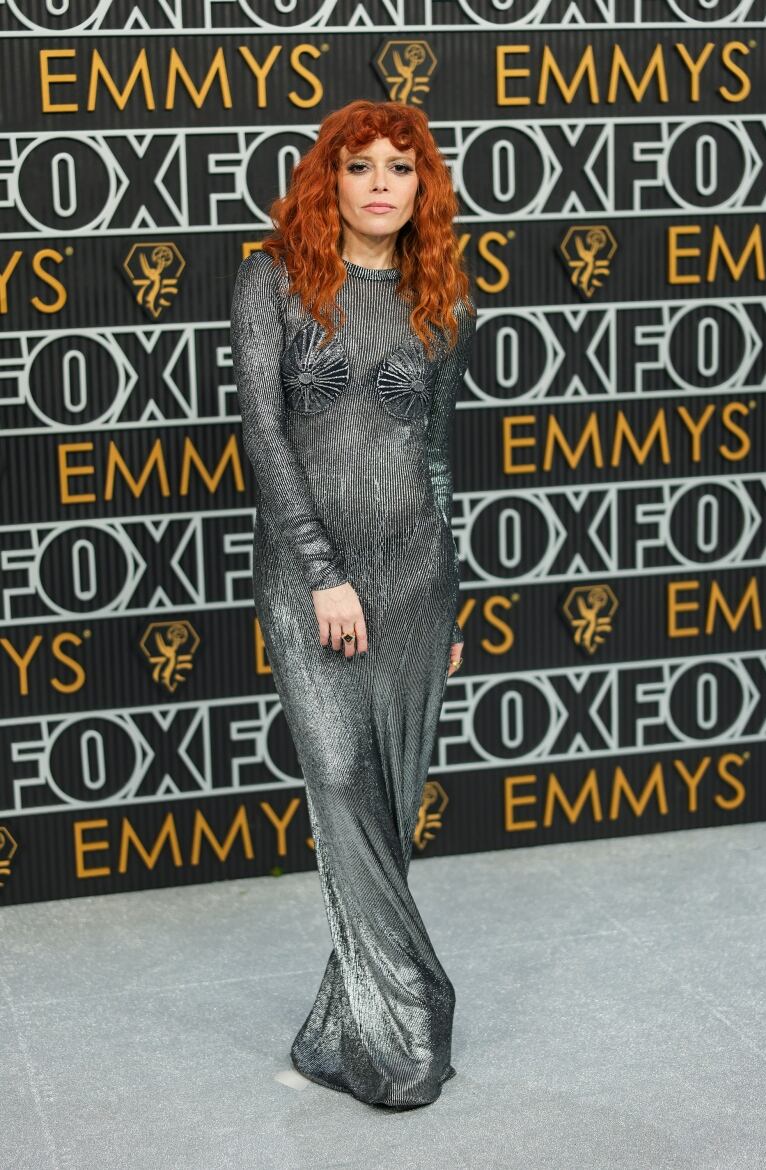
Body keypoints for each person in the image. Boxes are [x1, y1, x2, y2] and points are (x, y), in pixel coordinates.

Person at [230, 98, 475, 1110]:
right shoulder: (273, 279)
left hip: (416, 577)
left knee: (392, 805)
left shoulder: (444, 300)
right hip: (308, 579)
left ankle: (351, 1032)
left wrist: (453, 600)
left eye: (400, 167)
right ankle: (420, 1007)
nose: (381, 182)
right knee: (339, 783)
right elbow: (264, 437)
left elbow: (438, 458)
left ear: (423, 188)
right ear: (327, 180)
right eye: (360, 165)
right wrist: (322, 571)